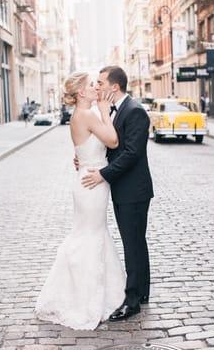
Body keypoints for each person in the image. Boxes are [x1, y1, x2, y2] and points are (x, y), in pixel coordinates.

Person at [35, 72, 125, 330]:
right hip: (91, 183)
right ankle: (85, 299)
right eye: (91, 85)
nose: (96, 87)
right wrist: (105, 111)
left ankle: (100, 291)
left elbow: (87, 149)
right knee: (90, 235)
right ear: (81, 93)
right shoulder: (87, 114)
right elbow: (112, 140)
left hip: (90, 177)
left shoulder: (84, 115)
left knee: (92, 233)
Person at [81, 66, 154, 321]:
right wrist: (86, 158)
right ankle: (142, 291)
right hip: (125, 188)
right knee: (136, 242)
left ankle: (132, 301)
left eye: (101, 82)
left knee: (132, 244)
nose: (98, 86)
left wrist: (103, 174)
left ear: (115, 87)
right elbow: (110, 145)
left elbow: (131, 153)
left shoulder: (135, 111)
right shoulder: (115, 109)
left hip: (133, 189)